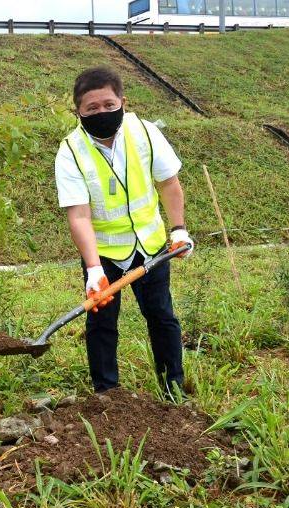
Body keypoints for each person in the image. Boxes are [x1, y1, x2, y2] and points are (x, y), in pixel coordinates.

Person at [54, 67, 194, 399]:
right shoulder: (71, 151)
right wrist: (93, 270)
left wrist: (178, 230)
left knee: (162, 316)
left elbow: (168, 183)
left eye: (108, 104)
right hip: (104, 253)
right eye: (92, 108)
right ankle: (107, 396)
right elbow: (79, 215)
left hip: (151, 246)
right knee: (101, 324)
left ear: (123, 102)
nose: (101, 112)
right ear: (79, 112)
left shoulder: (144, 133)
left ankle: (173, 388)